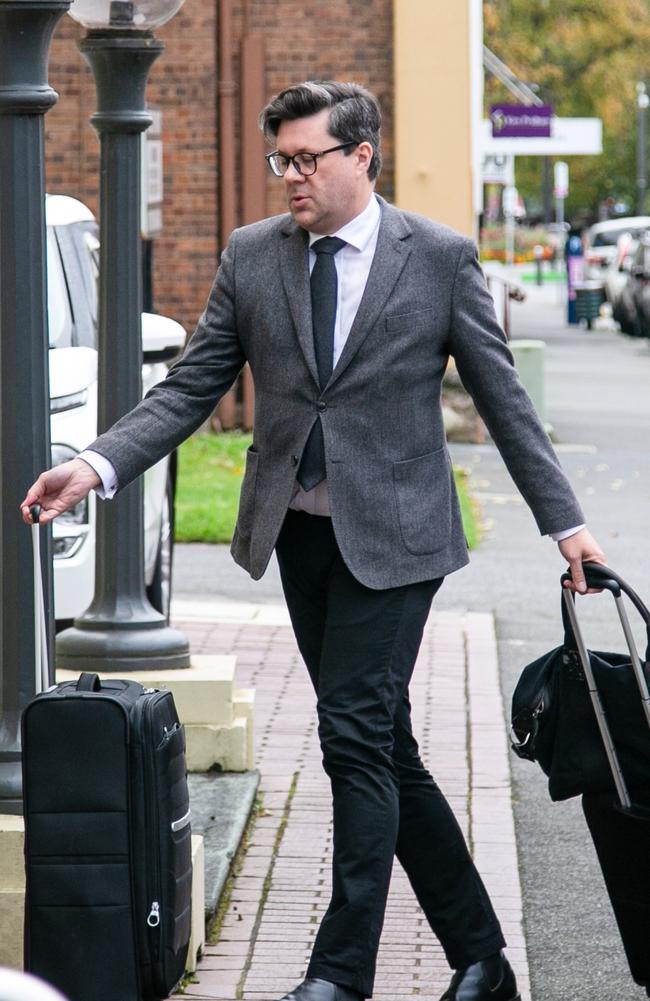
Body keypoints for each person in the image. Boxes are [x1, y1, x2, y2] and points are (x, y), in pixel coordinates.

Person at [22, 81, 605, 1001]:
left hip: (401, 539)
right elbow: (188, 389)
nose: (289, 177)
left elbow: (505, 400)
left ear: (360, 156)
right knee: (382, 748)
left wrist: (565, 525)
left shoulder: (439, 258)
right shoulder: (255, 255)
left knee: (352, 738)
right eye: (280, 160)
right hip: (300, 534)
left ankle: (340, 975)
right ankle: (483, 957)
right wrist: (95, 465)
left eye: (306, 159)